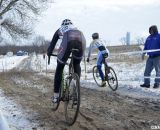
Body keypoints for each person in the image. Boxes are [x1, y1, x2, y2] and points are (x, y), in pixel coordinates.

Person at [47, 19, 86, 102]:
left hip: (67, 42)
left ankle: (56, 96)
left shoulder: (60, 29)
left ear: (62, 25)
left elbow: (52, 44)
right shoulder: (76, 28)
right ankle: (76, 93)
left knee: (60, 67)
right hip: (81, 40)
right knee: (77, 64)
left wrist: (49, 53)